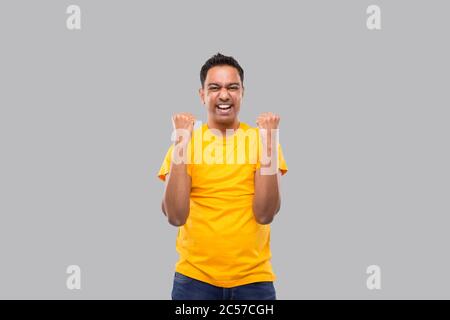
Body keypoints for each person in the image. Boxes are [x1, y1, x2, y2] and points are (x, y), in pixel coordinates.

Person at [157, 53, 288, 300]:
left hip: (254, 281)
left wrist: (269, 142)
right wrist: (181, 143)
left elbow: (265, 213)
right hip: (194, 281)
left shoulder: (261, 141)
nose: (224, 95)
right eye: (214, 87)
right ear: (202, 94)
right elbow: (175, 216)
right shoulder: (186, 142)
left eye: (232, 87)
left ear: (242, 93)